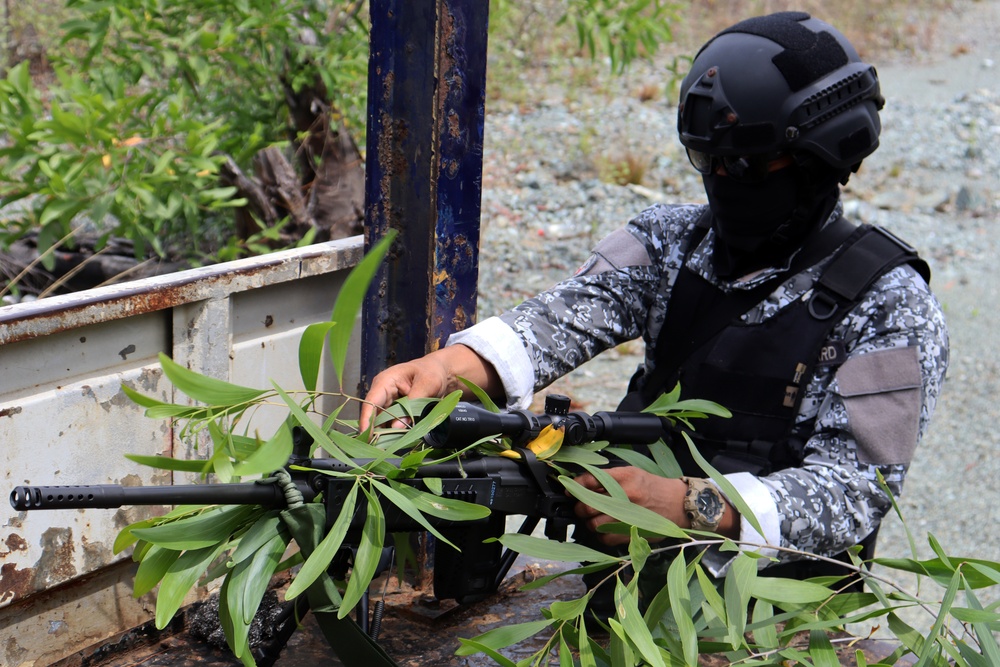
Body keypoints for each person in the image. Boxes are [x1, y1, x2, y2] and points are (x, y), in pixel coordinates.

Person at [359, 11, 949, 586]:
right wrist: (446, 368)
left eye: (741, 164)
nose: (720, 180)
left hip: (776, 616)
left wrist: (690, 508)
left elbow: (855, 491)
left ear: (820, 157)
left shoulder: (890, 304)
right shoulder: (669, 241)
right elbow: (561, 318)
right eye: (707, 161)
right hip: (620, 580)